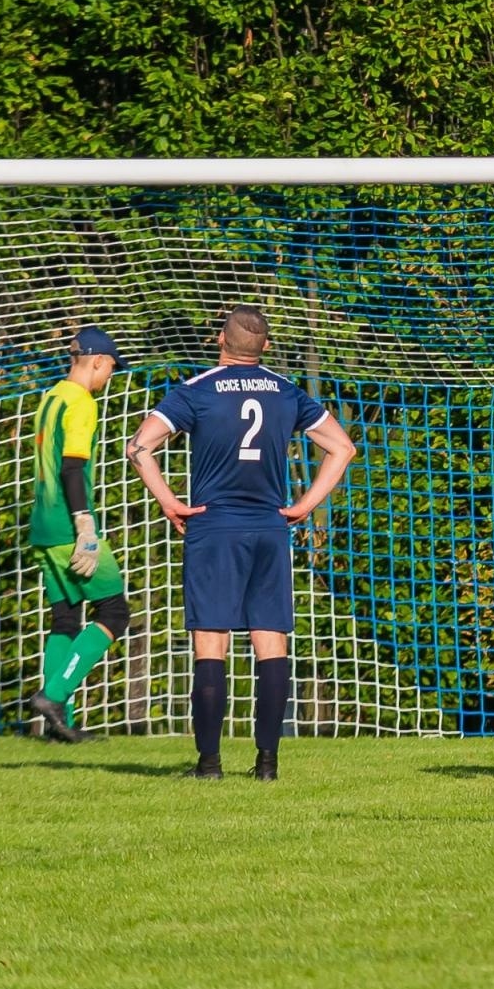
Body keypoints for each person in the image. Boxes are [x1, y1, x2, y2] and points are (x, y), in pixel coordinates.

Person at [125, 306, 356, 780]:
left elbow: (138, 447)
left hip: (213, 529)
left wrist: (169, 501)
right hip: (270, 528)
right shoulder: (287, 392)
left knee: (211, 643)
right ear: (266, 347)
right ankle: (267, 764)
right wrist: (305, 504)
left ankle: (209, 764)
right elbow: (343, 447)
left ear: (219, 340)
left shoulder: (196, 390)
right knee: (271, 641)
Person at [25, 326, 132, 744]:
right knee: (114, 612)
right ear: (98, 361)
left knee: (66, 617)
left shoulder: (51, 396)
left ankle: (59, 725)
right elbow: (72, 467)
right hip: (70, 526)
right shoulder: (82, 402)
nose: (110, 377)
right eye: (111, 369)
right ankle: (54, 696)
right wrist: (85, 523)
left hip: (42, 525)